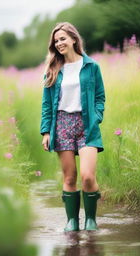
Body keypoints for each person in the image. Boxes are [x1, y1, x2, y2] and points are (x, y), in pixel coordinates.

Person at [40, 22, 105, 231]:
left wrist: (96, 117)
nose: (59, 43)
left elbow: (100, 97)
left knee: (87, 176)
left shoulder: (91, 66)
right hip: (62, 125)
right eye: (56, 41)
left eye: (62, 39)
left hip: (87, 124)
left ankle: (91, 219)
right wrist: (45, 132)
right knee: (69, 177)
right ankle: (72, 221)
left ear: (74, 39)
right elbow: (47, 105)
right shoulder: (52, 70)